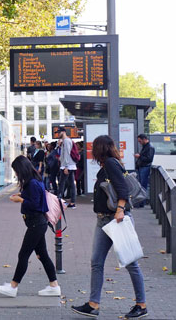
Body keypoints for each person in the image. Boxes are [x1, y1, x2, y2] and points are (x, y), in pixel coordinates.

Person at [71, 135, 147, 319]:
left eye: (93, 147)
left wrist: (120, 210)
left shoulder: (112, 164)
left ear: (100, 148)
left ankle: (141, 304)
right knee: (96, 262)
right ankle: (93, 304)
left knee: (130, 263)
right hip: (103, 220)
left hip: (116, 219)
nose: (91, 151)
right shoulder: (109, 164)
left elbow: (123, 190)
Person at [0, 155, 60, 298]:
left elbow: (35, 204)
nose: (16, 174)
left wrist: (20, 199)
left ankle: (13, 286)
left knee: (23, 254)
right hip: (37, 223)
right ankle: (54, 286)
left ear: (21, 170)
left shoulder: (33, 184)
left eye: (16, 171)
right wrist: (22, 195)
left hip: (36, 224)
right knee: (42, 255)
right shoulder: (34, 181)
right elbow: (33, 198)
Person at [56, 127, 77, 209]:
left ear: (64, 132)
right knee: (71, 184)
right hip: (69, 165)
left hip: (67, 166)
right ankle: (72, 202)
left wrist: (66, 167)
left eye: (59, 132)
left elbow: (67, 154)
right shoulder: (66, 141)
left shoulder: (67, 141)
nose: (58, 134)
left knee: (62, 183)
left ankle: (59, 201)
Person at [135, 134, 154, 207]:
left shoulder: (149, 147)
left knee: (143, 185)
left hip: (145, 167)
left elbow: (149, 159)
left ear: (144, 139)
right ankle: (141, 202)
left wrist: (140, 156)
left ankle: (142, 202)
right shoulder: (146, 146)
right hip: (142, 167)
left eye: (140, 141)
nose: (139, 143)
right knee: (141, 185)